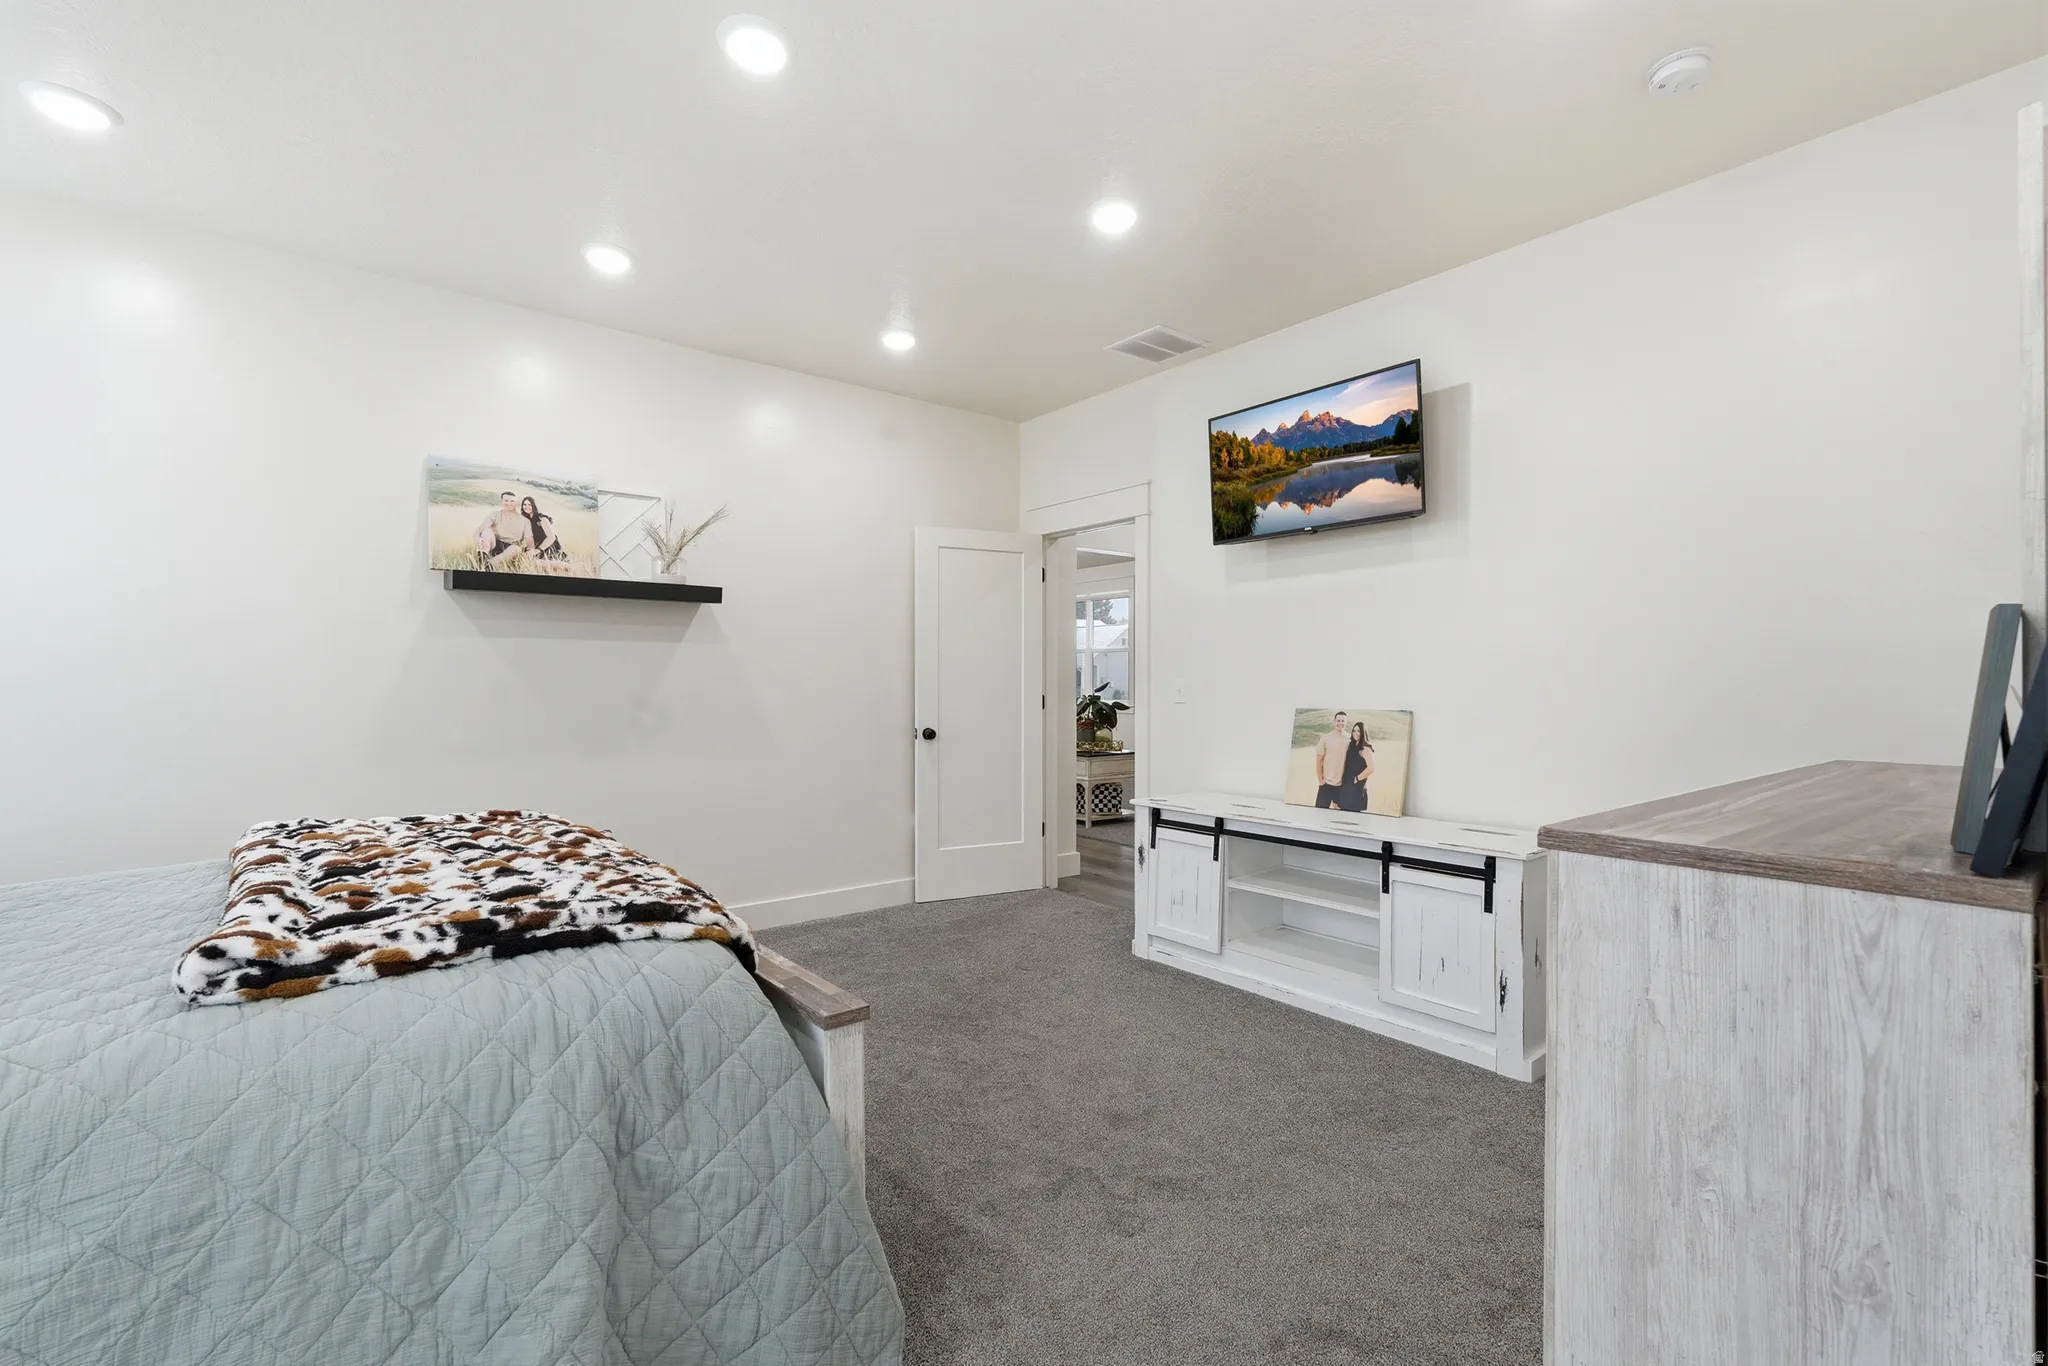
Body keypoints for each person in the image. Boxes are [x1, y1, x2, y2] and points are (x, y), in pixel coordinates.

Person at [474, 491, 533, 566]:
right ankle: (481, 558)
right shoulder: (495, 515)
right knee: (486, 532)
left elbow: (530, 540)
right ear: (502, 501)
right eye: (506, 501)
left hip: (511, 548)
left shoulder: (525, 521)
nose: (509, 503)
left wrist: (530, 553)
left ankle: (488, 565)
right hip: (495, 544)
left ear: (516, 503)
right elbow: (479, 529)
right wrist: (478, 539)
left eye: (512, 501)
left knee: (516, 549)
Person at [1312, 711, 1351, 809]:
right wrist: (1321, 781)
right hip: (1326, 784)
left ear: (1346, 722)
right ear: (1334, 722)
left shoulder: (1350, 739)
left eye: (1343, 721)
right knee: (1319, 814)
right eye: (1338, 720)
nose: (1340, 723)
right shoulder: (1325, 738)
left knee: (1339, 817)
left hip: (1342, 786)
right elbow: (1318, 760)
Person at [1337, 720, 1374, 813]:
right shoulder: (1351, 745)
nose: (1356, 733)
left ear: (1363, 733)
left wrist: (1357, 779)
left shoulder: (1365, 748)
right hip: (1346, 786)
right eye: (1354, 730)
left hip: (1357, 787)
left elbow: (1371, 768)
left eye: (1359, 731)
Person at [521, 496, 566, 561]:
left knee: (537, 562)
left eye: (530, 504)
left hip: (548, 547)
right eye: (524, 504)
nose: (527, 507)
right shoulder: (526, 520)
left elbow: (551, 537)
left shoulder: (542, 518)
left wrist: (538, 550)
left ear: (534, 506)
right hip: (535, 547)